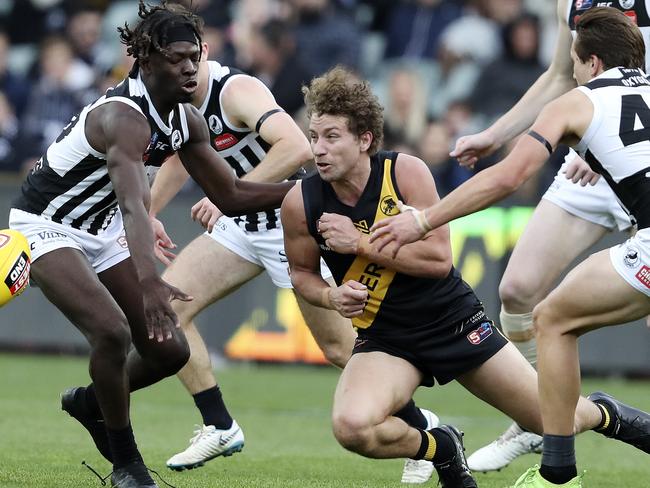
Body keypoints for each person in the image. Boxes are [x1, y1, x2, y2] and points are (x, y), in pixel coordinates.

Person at [281, 66, 650, 488]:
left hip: (454, 323)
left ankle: (608, 413)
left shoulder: (404, 173)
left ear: (364, 140)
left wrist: (360, 245)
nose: (318, 150)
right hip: (387, 337)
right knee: (352, 428)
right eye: (313, 137)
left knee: (557, 420)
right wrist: (331, 299)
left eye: (331, 137)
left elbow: (438, 260)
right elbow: (302, 275)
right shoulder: (301, 202)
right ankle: (441, 446)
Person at [8, 2, 293, 487]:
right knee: (113, 334)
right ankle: (127, 466)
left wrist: (313, 193)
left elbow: (231, 194)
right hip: (44, 225)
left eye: (194, 56)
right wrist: (149, 281)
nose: (189, 66)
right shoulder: (123, 116)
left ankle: (92, 402)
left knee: (170, 351)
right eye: (177, 58)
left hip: (98, 229)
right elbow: (136, 207)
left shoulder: (186, 117)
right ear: (145, 60)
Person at [369, 8, 650, 487]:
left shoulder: (577, 101)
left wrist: (425, 218)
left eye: (578, 67)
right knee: (526, 293)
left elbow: (509, 176)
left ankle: (557, 473)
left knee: (552, 321)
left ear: (594, 64)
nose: (574, 76)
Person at [146, 31, 438, 483]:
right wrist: (146, 213)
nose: (178, 69)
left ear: (203, 53)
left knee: (343, 348)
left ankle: (426, 432)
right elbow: (180, 159)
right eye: (168, 60)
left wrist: (228, 195)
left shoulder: (236, 91)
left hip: (291, 227)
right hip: (240, 229)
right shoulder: (180, 104)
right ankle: (219, 424)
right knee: (168, 310)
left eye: (185, 57)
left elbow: (298, 147)